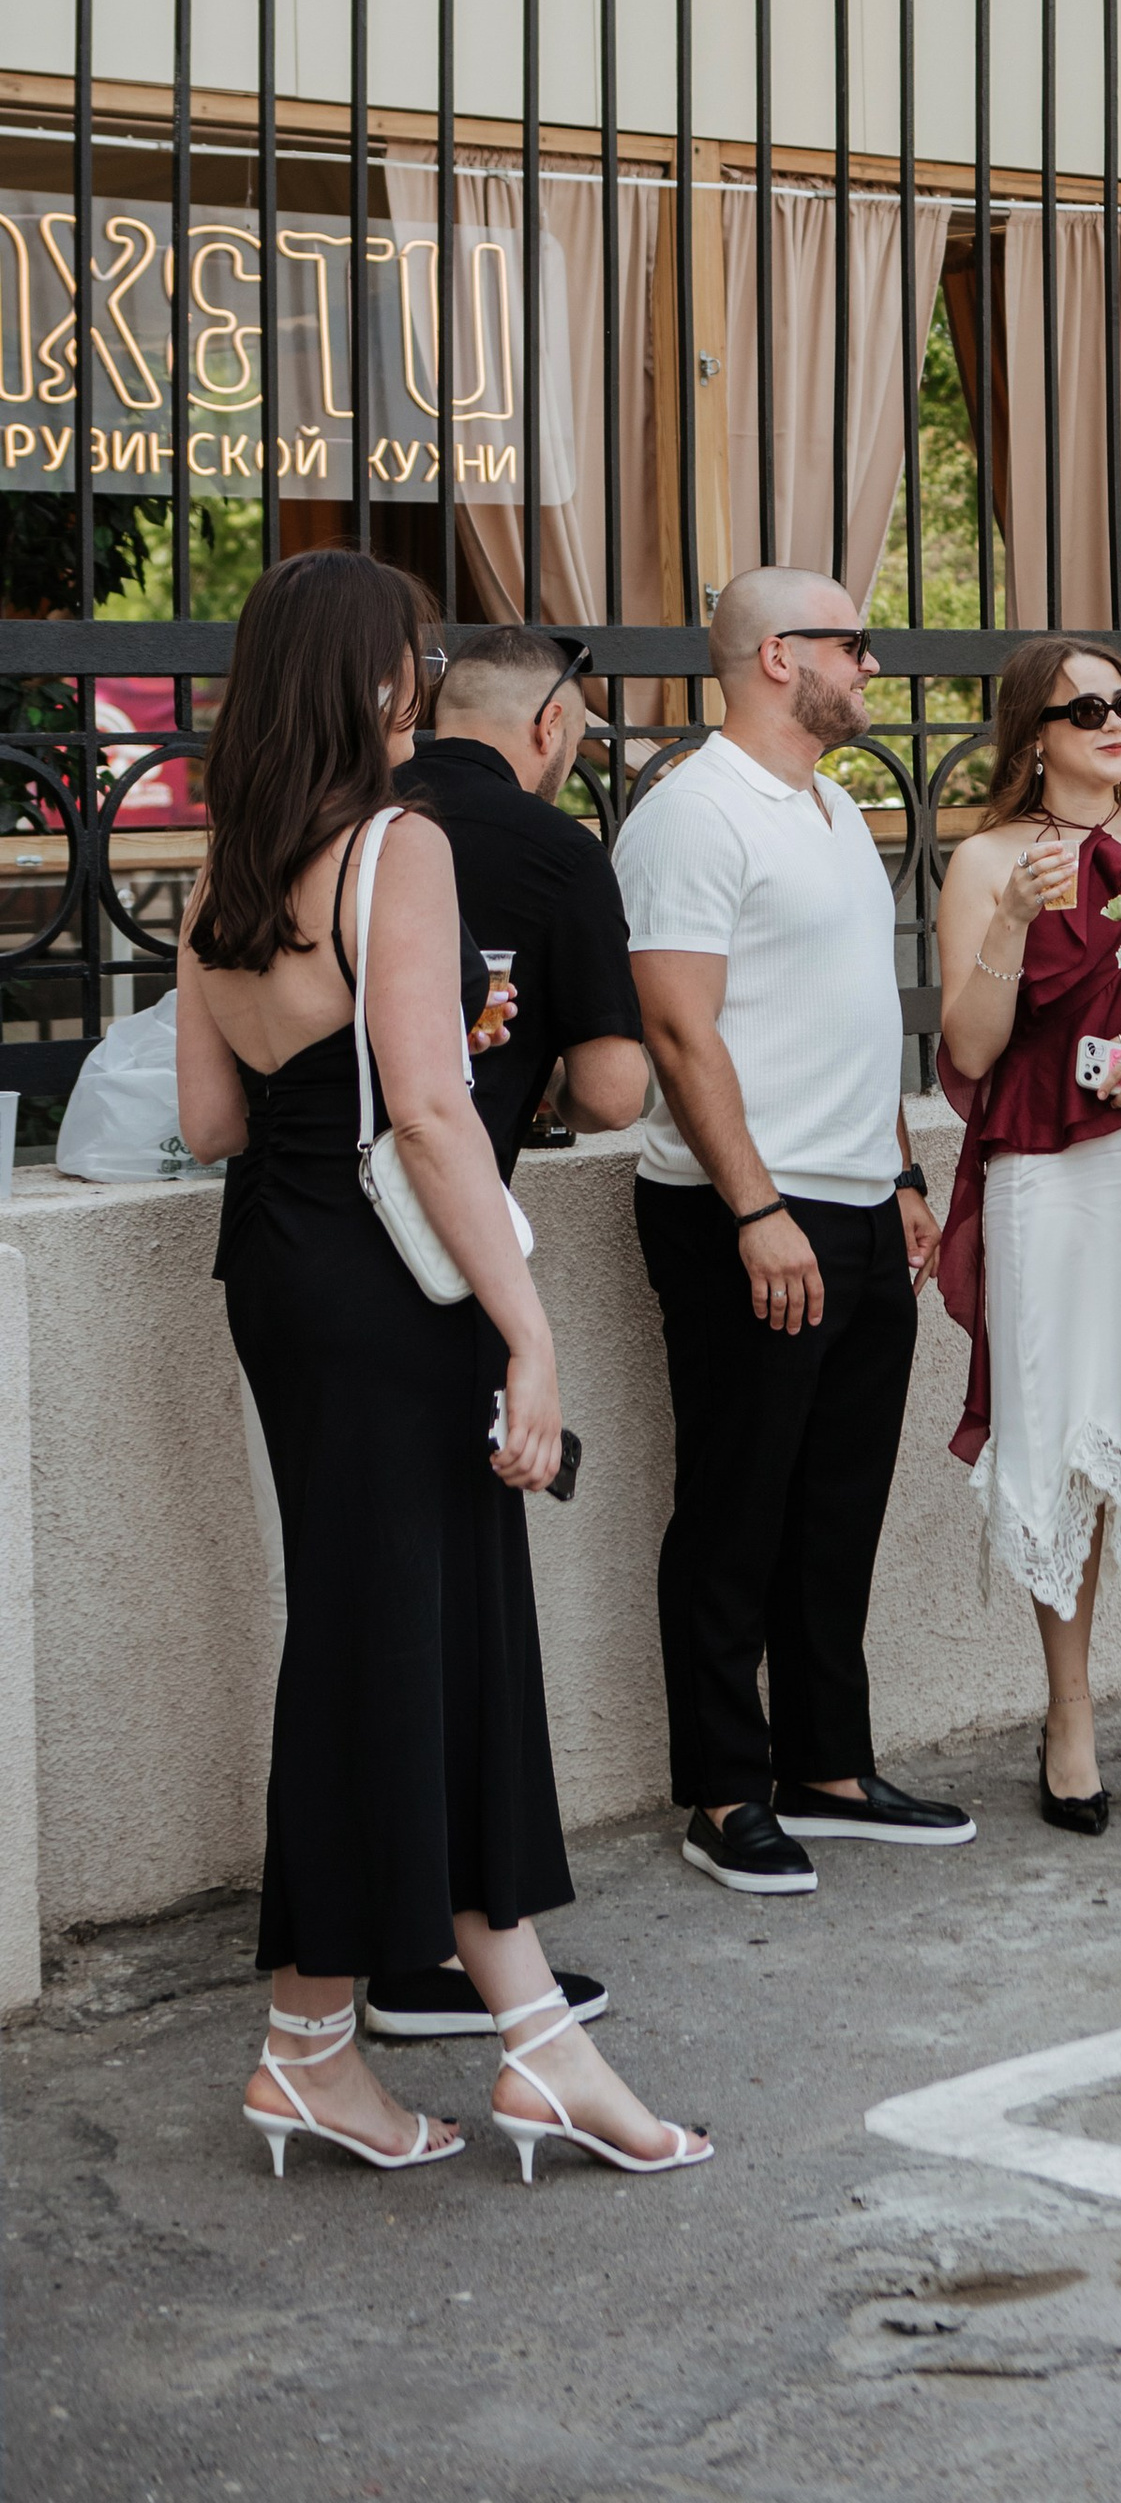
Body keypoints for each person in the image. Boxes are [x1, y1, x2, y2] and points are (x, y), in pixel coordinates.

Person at [174, 549, 707, 2181]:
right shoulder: (396, 848)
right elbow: (429, 1109)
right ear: (382, 681)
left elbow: (208, 1123)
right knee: (410, 1638)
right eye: (410, 655)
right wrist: (533, 1332)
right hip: (393, 1283)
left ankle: (370, 2047)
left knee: (391, 1635)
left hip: (279, 1263)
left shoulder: (230, 865)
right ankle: (385, 2051)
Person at [615, 567, 970, 1897]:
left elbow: (850, 1013)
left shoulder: (829, 809)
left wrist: (902, 1175)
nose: (872, 668)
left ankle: (828, 1763)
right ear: (777, 656)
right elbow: (676, 1029)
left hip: (861, 1201)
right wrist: (757, 1208)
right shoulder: (695, 814)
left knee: (836, 1499)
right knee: (735, 1501)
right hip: (744, 1211)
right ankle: (721, 1787)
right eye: (854, 646)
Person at [356, 621, 651, 2054]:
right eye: (580, 735)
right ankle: (442, 1957)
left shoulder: (348, 828)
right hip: (443, 1257)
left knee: (367, 1610)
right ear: (547, 728)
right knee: (453, 1616)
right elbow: (608, 1090)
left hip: (304, 1253)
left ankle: (384, 1963)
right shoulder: (548, 850)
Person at [934, 640, 1121, 1830]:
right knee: (1062, 1432)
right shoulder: (990, 860)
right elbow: (967, 1047)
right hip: (1050, 1177)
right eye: (1084, 709)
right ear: (1035, 737)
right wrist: (1012, 919)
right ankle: (1068, 1713)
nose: (1113, 723)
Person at [394, 625, 649, 1182]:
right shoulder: (563, 852)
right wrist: (555, 1086)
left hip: (282, 1209)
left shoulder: (341, 812)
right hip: (444, 1216)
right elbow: (612, 1097)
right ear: (550, 724)